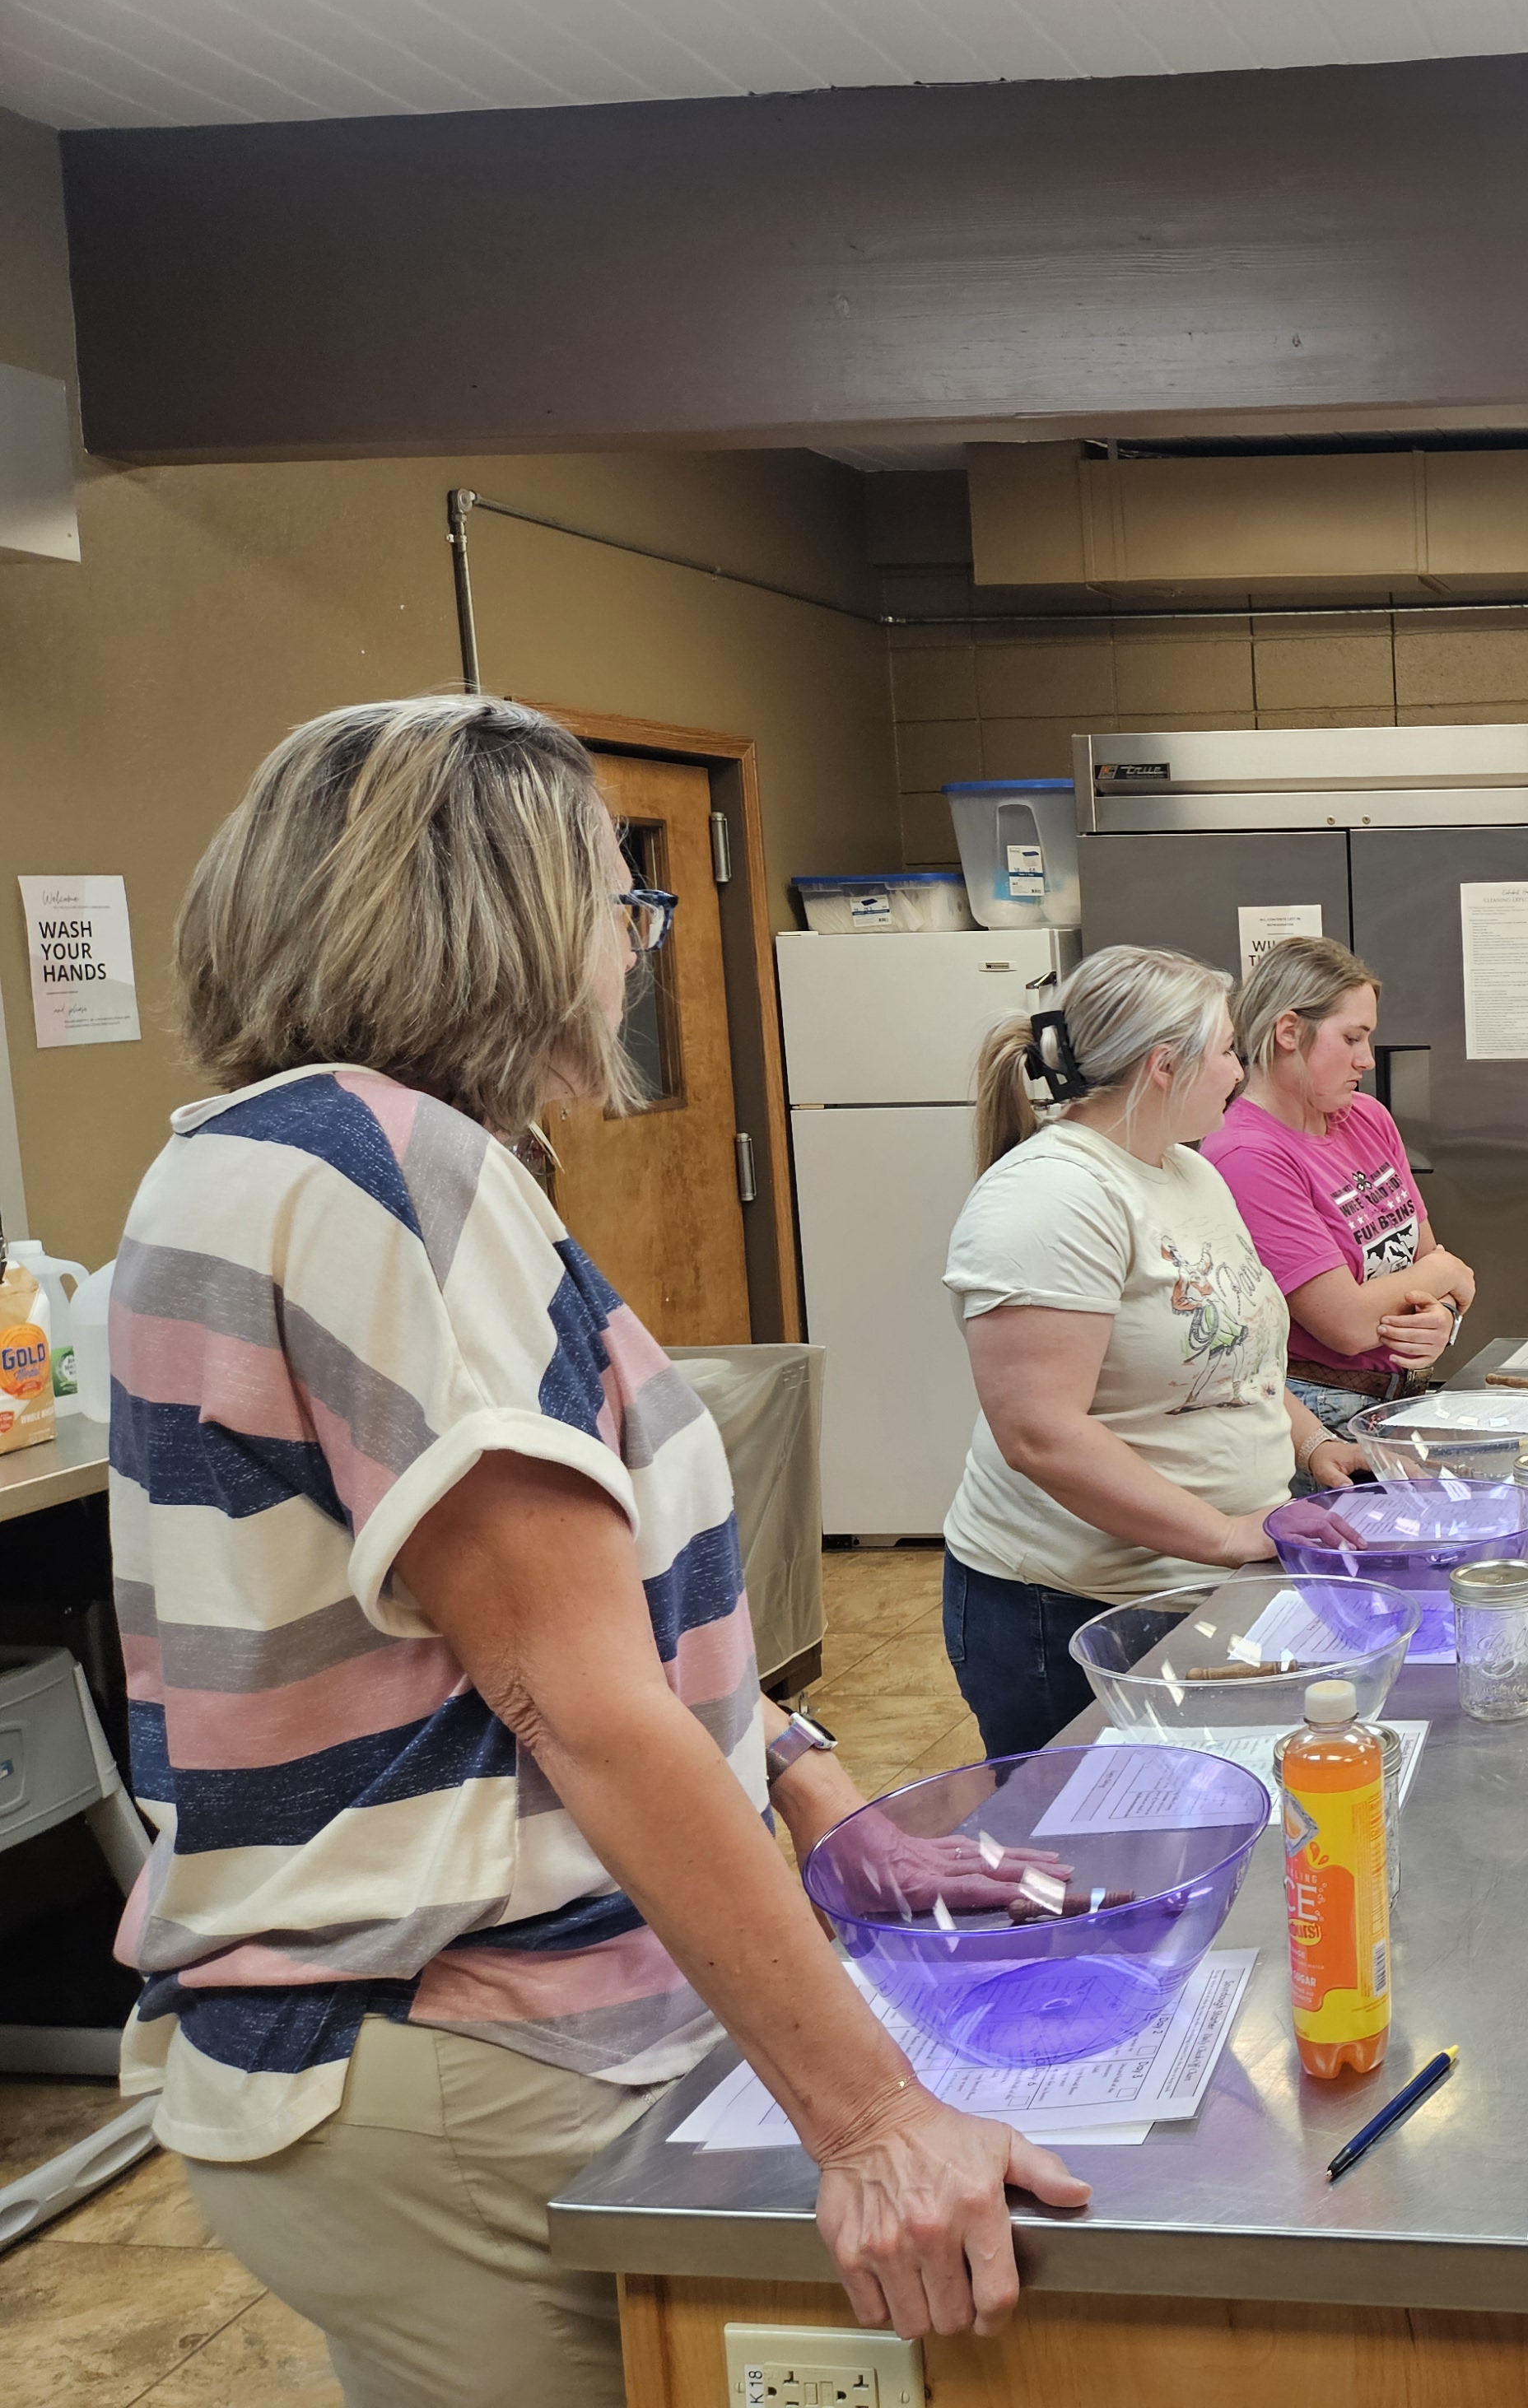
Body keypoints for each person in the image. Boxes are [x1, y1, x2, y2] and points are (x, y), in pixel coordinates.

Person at [113, 696, 1081, 2408]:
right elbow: (578, 1699)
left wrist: (805, 1783)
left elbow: (528, 1626)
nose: (630, 948)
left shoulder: (264, 1160)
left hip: (357, 2065)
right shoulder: (393, 1170)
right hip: (450, 2040)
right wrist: (874, 2118)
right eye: (612, 901)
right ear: (493, 921)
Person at [944, 945, 1374, 1759]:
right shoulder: (1050, 1197)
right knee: (1102, 1857)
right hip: (1072, 1611)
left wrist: (1311, 1441)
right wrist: (1223, 1535)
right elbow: (1039, 1433)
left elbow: (1237, 1353)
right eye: (1224, 1053)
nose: (1239, 1076)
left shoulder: (1187, 1171)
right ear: (1164, 1065)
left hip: (1194, 1589)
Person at [1202, 936, 1478, 1435]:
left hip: (1400, 1396)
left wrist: (1441, 1318)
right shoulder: (1247, 1154)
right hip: (1320, 1414)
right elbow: (1347, 1326)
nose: (1367, 1060)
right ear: (1289, 1031)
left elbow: (1427, 1255)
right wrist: (1450, 1277)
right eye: (1352, 1038)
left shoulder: (1366, 1118)